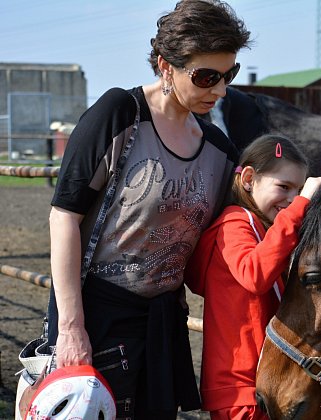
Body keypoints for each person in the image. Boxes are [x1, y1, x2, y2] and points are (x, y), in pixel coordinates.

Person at [46, 1, 251, 418]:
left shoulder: (219, 151)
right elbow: (64, 215)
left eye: (229, 75)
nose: (221, 90)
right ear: (165, 65)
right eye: (206, 77)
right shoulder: (120, 114)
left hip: (163, 324)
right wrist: (71, 327)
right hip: (97, 318)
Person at [185, 135, 321, 419]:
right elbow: (255, 275)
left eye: (299, 190)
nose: (291, 198)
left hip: (266, 382)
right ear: (249, 179)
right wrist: (301, 206)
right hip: (241, 387)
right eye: (284, 186)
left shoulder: (264, 231)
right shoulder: (235, 222)